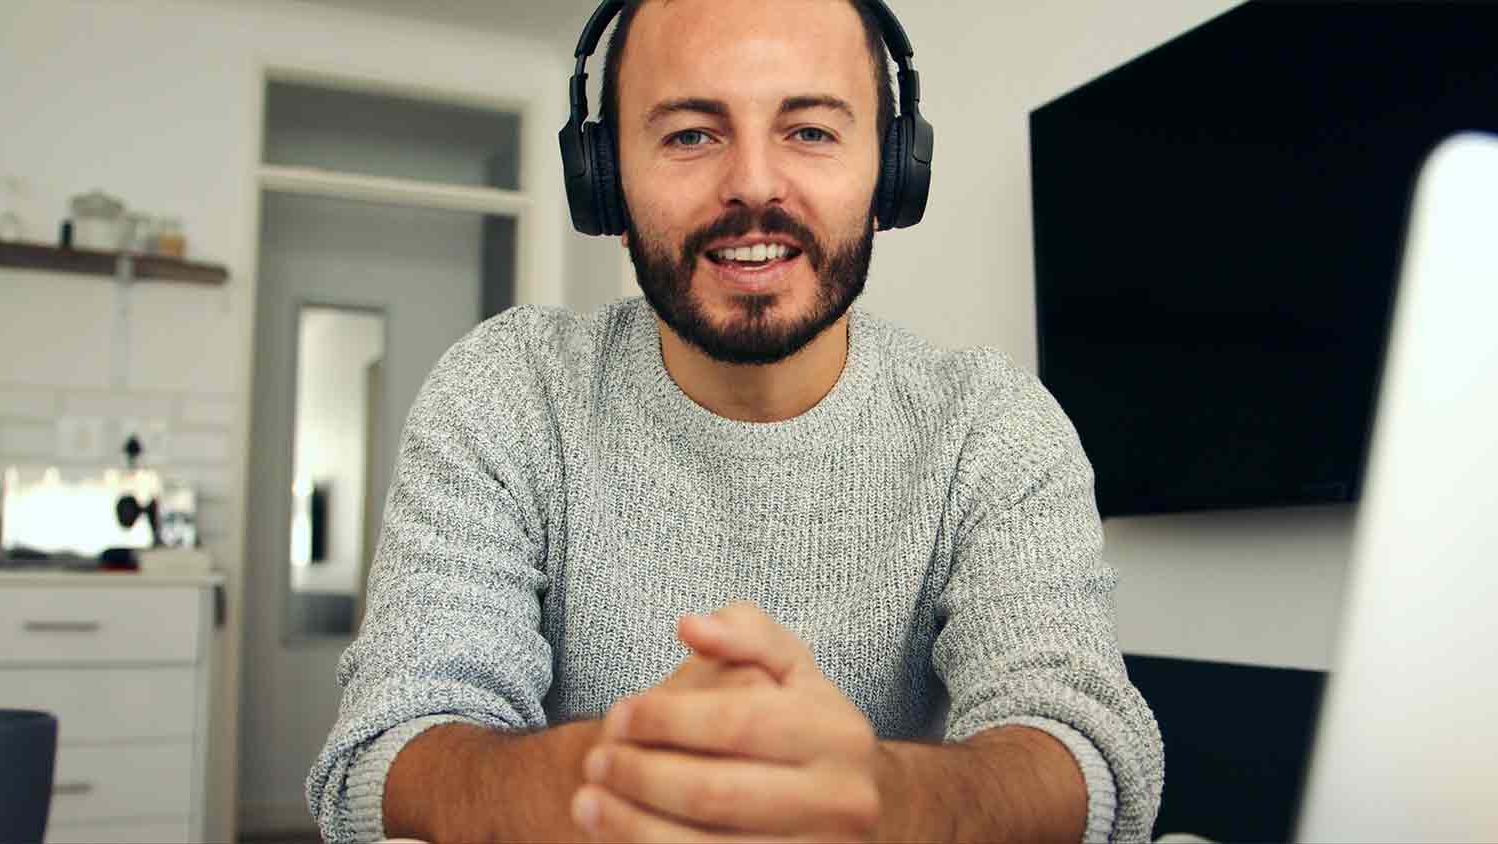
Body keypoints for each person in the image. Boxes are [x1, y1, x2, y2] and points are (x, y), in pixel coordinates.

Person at [306, 1, 1164, 841]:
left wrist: (889, 798)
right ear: (604, 182)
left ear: (894, 173)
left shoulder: (992, 426)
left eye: (811, 130)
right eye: (690, 133)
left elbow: (1090, 756)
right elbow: (386, 748)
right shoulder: (507, 390)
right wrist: (610, 786)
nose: (753, 182)